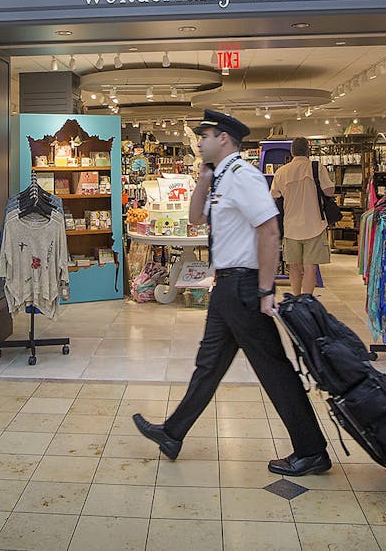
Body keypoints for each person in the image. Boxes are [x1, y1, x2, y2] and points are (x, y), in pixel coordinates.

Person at [132, 109, 330, 477]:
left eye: (204, 136)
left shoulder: (244, 177)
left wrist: (266, 289)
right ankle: (173, 433)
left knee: (274, 371)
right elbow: (195, 218)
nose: (199, 141)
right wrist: (203, 181)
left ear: (223, 138)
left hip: (244, 287)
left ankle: (312, 450)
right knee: (208, 366)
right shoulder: (221, 179)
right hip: (226, 287)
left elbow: (270, 231)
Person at [269, 136, 335, 297]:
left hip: (291, 226)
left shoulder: (281, 172)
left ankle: (296, 296)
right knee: (310, 266)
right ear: (308, 151)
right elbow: (329, 191)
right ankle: (307, 299)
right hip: (314, 225)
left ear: (292, 152)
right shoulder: (317, 168)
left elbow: (274, 195)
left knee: (294, 266)